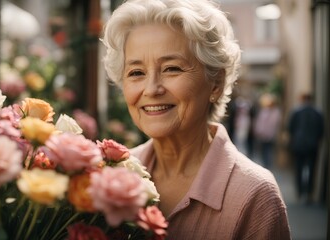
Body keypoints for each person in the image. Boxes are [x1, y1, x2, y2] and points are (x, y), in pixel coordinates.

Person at [102, 0, 291, 239]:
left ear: (216, 83)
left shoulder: (254, 195)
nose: (151, 89)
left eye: (172, 68)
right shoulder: (111, 176)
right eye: (136, 72)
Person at [288, 93, 324, 203]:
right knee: (312, 169)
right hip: (312, 145)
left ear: (302, 99)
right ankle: (309, 193)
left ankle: (300, 192)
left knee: (298, 168)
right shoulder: (318, 113)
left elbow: (290, 128)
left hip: (299, 145)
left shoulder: (296, 112)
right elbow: (321, 130)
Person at [253, 93, 282, 169]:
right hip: (264, 134)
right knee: (264, 151)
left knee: (268, 151)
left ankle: (268, 165)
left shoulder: (276, 112)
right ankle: (266, 165)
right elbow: (260, 122)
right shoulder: (266, 111)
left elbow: (272, 124)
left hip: (270, 135)